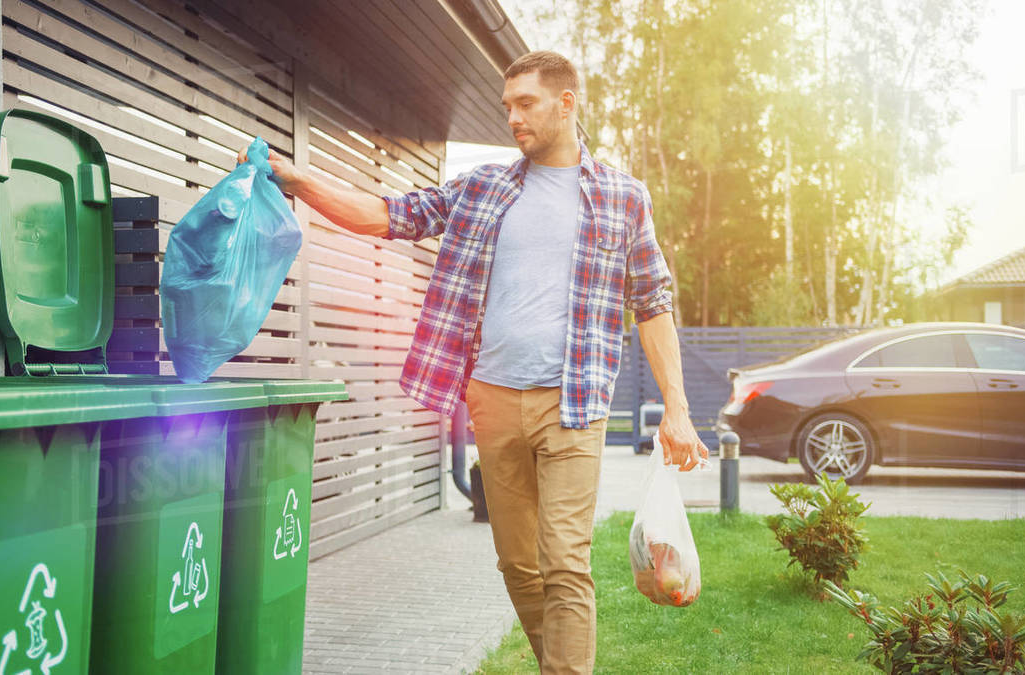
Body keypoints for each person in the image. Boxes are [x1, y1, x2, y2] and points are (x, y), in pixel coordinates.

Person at [239, 50, 709, 675]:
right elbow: (390, 216)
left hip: (573, 405)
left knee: (564, 561)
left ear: (567, 104)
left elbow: (652, 302)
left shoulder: (624, 198)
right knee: (518, 564)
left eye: (526, 104)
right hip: (492, 399)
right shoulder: (484, 188)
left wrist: (677, 408)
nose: (512, 117)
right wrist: (299, 182)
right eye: (507, 105)